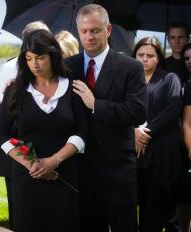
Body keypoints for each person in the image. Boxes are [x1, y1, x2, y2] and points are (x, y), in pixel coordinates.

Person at [0, 29, 87, 232]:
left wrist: (53, 161)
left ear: (53, 56)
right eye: (28, 59)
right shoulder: (15, 90)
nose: (34, 64)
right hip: (27, 179)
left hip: (64, 177)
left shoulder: (72, 87)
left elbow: (81, 132)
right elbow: (1, 135)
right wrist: (33, 165)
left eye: (40, 58)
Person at [67, 4, 147, 231]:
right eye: (84, 31)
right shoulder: (67, 66)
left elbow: (138, 111)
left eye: (95, 30)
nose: (89, 36)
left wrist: (96, 105)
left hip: (118, 171)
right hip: (81, 169)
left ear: (108, 29)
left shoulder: (130, 67)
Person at [0, 21, 50, 229]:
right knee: (18, 195)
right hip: (19, 141)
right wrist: (16, 117)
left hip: (47, 143)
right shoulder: (9, 67)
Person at [133, 37, 182, 231]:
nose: (145, 59)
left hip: (160, 154)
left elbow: (171, 112)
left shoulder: (170, 79)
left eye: (150, 55)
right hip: (132, 154)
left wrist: (144, 133)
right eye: (140, 55)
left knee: (154, 210)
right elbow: (120, 110)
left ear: (158, 58)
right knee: (130, 207)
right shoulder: (128, 80)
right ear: (134, 56)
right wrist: (133, 132)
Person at [179, 42, 191, 232]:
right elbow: (187, 124)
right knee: (184, 197)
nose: (190, 61)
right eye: (187, 58)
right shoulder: (188, 87)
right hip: (187, 152)